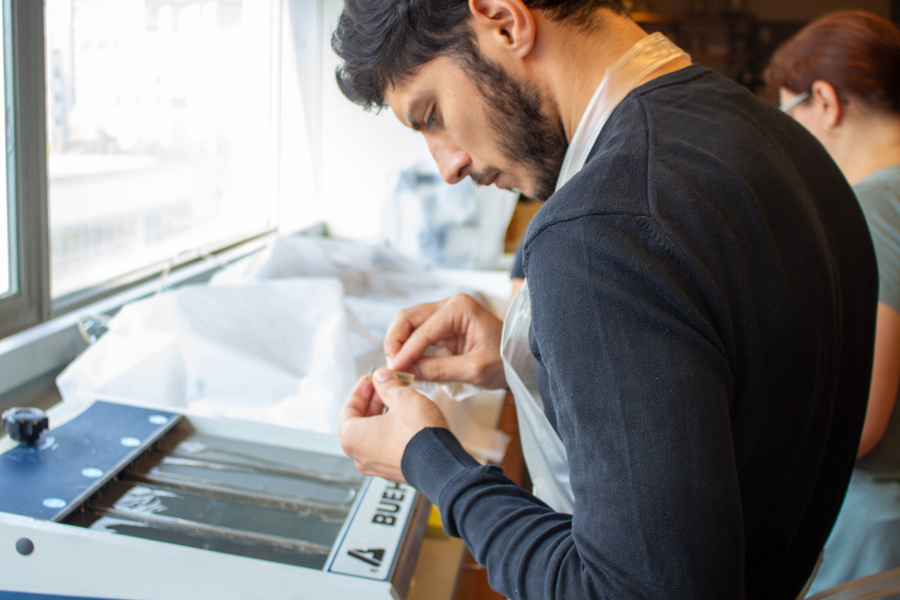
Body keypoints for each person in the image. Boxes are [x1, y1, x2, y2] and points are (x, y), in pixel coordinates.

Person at [332, 1, 879, 598]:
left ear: (504, 20)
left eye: (432, 114)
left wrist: (432, 462)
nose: (447, 166)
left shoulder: (598, 229)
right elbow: (738, 383)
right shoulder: (790, 147)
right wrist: (540, 355)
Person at [765, 11, 900, 596]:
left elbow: (862, 419)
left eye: (787, 113)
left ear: (826, 101)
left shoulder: (870, 208)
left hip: (875, 520)